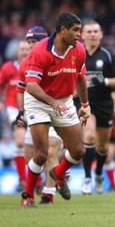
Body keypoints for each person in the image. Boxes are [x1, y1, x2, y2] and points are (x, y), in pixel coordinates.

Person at [20, 12, 90, 207]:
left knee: (78, 151)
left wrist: (85, 105)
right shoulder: (40, 51)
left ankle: (58, 173)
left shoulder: (79, 50)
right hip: (39, 100)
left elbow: (81, 79)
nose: (79, 34)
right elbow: (31, 86)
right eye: (75, 30)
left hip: (64, 101)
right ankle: (28, 196)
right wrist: (52, 103)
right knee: (42, 153)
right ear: (62, 30)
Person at [17, 26, 64, 204]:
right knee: (33, 155)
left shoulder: (58, 59)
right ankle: (33, 187)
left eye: (34, 42)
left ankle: (48, 193)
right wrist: (20, 112)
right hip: (34, 113)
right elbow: (20, 89)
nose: (30, 46)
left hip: (55, 111)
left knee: (51, 149)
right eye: (29, 42)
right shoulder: (24, 64)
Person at [79, 19, 115, 195]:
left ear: (100, 34)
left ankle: (99, 173)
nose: (92, 35)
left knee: (103, 147)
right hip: (85, 104)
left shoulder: (108, 55)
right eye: (89, 32)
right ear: (82, 35)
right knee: (89, 137)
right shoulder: (76, 54)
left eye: (95, 31)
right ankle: (87, 178)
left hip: (105, 104)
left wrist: (105, 81)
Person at [0, 40, 30, 192]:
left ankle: (35, 181)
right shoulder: (7, 68)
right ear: (17, 52)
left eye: (27, 49)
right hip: (14, 109)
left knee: (35, 144)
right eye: (22, 49)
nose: (25, 52)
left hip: (34, 108)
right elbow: (1, 85)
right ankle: (22, 179)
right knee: (20, 141)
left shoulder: (35, 66)